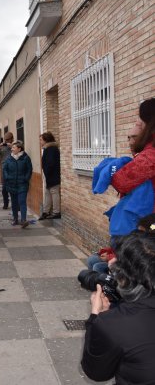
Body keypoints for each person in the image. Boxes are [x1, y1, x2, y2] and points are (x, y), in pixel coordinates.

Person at [81, 232, 155, 384]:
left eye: (118, 260)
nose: (112, 262)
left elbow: (97, 372)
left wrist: (96, 317)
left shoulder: (114, 323)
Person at [112, 98, 155, 213]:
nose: (139, 123)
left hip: (149, 221)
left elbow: (120, 182)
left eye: (141, 120)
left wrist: (112, 169)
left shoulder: (150, 155)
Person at [2, 140, 33, 228]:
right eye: (12, 148)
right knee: (14, 202)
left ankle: (23, 220)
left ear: (19, 149)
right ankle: (15, 219)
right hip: (11, 183)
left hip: (22, 184)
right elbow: (5, 169)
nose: (12, 149)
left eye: (13, 147)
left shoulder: (26, 158)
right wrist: (7, 177)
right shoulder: (9, 158)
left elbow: (29, 169)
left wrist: (25, 178)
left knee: (22, 201)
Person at [39, 132, 61, 220]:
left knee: (54, 192)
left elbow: (51, 163)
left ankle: (56, 212)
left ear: (46, 140)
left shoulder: (51, 149)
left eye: (41, 140)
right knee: (47, 193)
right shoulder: (47, 149)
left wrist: (47, 172)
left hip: (52, 175)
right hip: (48, 175)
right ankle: (46, 211)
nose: (40, 141)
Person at [0, 131, 14, 209]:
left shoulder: (16, 145)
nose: (6, 141)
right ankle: (6, 203)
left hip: (14, 170)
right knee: (4, 189)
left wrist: (12, 147)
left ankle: (16, 205)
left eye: (8, 140)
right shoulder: (2, 147)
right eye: (5, 140)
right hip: (5, 170)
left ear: (12, 139)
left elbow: (22, 152)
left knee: (13, 188)